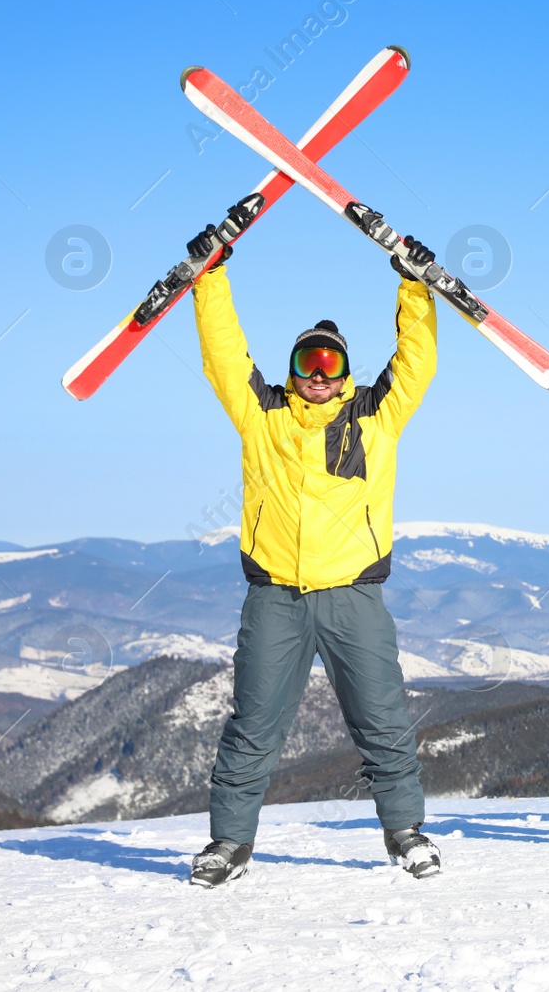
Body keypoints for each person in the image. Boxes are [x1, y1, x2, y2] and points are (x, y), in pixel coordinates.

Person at [184, 219, 443, 887]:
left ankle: (405, 831)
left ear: (345, 369)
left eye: (329, 363)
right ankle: (229, 843)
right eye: (307, 362)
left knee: (383, 717)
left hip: (353, 595)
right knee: (254, 724)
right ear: (293, 368)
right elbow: (222, 352)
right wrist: (210, 275)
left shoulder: (374, 416)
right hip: (274, 595)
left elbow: (416, 362)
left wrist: (413, 284)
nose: (318, 375)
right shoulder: (261, 415)